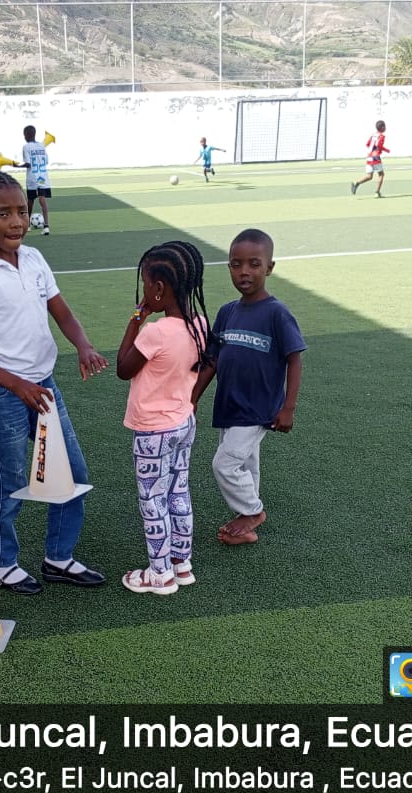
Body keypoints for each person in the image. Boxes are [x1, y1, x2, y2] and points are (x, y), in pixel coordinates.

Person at [0, 171, 108, 595]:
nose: (17, 222)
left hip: (44, 387)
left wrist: (83, 345)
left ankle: (59, 557)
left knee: (71, 472)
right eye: (2, 213)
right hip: (1, 393)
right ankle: (4, 563)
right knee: (12, 477)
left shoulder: (35, 259)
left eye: (22, 211)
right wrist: (16, 385)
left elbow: (62, 312)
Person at [191, 229, 305, 546]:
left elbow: (295, 359)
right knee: (245, 461)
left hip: (259, 407)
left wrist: (288, 408)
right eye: (236, 264)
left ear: (269, 268)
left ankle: (252, 512)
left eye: (254, 264)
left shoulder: (277, 313)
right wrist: (193, 397)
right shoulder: (227, 312)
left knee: (225, 463)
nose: (244, 271)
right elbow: (212, 360)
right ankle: (248, 523)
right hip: (229, 404)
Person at [116, 241, 212, 594]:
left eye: (145, 284)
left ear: (158, 288)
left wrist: (136, 319)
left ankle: (159, 575)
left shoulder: (155, 331)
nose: (143, 291)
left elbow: (123, 368)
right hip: (183, 422)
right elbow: (208, 363)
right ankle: (181, 564)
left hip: (153, 430)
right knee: (178, 490)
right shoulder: (199, 323)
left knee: (152, 500)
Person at [15, 125, 52, 235]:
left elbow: (28, 164)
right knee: (42, 200)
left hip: (33, 178)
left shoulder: (26, 147)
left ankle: (27, 226)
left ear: (26, 135)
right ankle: (46, 226)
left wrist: (17, 166)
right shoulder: (42, 146)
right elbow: (46, 161)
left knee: (30, 201)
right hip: (43, 177)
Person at [351, 120, 389, 197]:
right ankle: (377, 192)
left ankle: (356, 184)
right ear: (382, 128)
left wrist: (373, 150)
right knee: (381, 174)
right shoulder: (381, 136)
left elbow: (367, 144)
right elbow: (379, 145)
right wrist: (386, 150)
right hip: (375, 157)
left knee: (369, 176)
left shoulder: (373, 135)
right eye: (384, 126)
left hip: (369, 157)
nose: (385, 128)